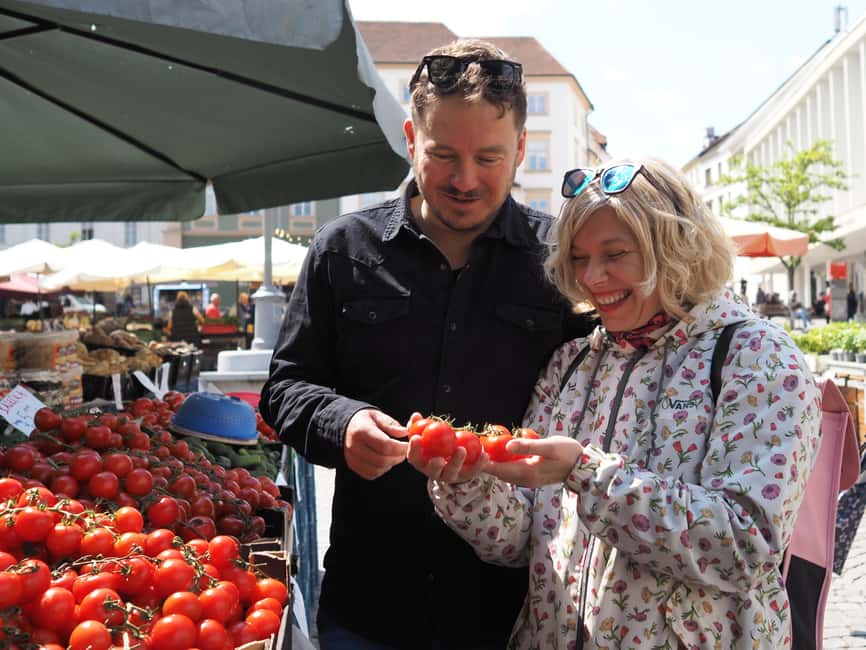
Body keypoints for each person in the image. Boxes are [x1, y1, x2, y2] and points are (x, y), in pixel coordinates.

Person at [259, 39, 596, 650]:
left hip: (514, 605)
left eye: (489, 157)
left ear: (521, 149)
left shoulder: (559, 262)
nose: (465, 180)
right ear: (412, 139)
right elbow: (284, 390)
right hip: (372, 596)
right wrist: (344, 422)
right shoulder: (342, 249)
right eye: (443, 155)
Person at [409, 157, 823, 649]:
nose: (592, 277)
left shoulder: (758, 358)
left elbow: (744, 544)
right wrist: (466, 483)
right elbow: (523, 539)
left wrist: (585, 474)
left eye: (614, 253)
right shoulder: (571, 365)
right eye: (580, 258)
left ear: (676, 249)